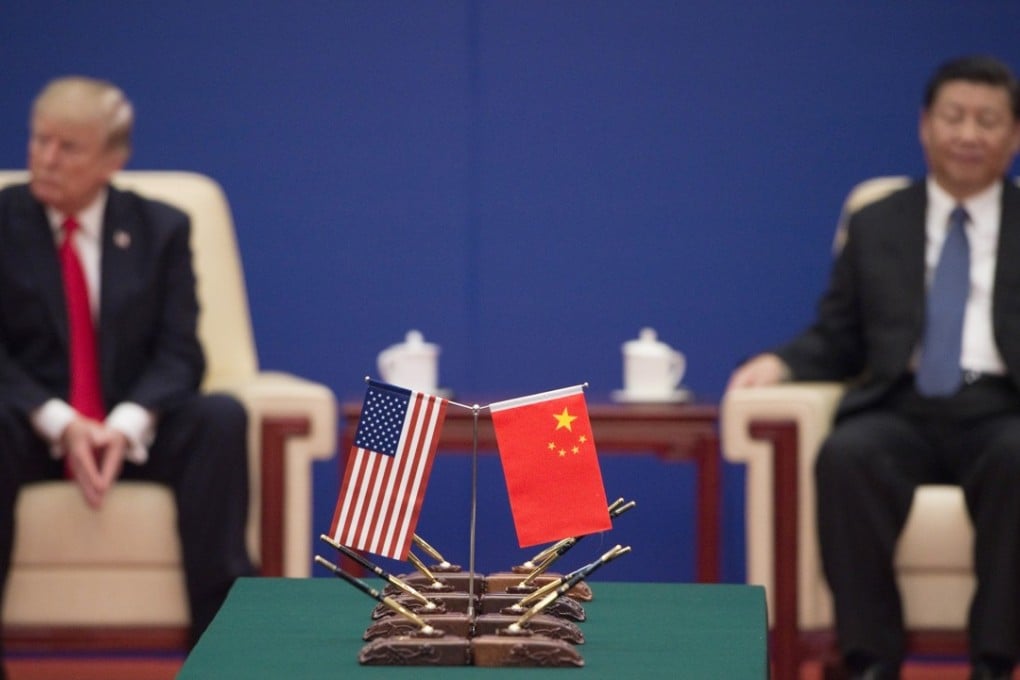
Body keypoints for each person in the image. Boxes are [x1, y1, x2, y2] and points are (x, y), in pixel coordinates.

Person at [727, 55, 1020, 680]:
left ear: (1013, 135)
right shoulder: (877, 220)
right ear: (925, 126)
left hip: (1003, 409)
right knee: (846, 456)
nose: (969, 134)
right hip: (903, 405)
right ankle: (870, 661)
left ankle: (996, 661)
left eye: (988, 120)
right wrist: (780, 362)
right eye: (954, 117)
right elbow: (840, 335)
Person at [0, 77, 253, 675]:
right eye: (39, 141)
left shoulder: (161, 228)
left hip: (131, 430)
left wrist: (124, 423)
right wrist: (62, 422)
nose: (46, 159)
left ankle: (221, 656)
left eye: (69, 147)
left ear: (114, 159)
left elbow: (180, 353)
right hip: (29, 426)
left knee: (220, 418)